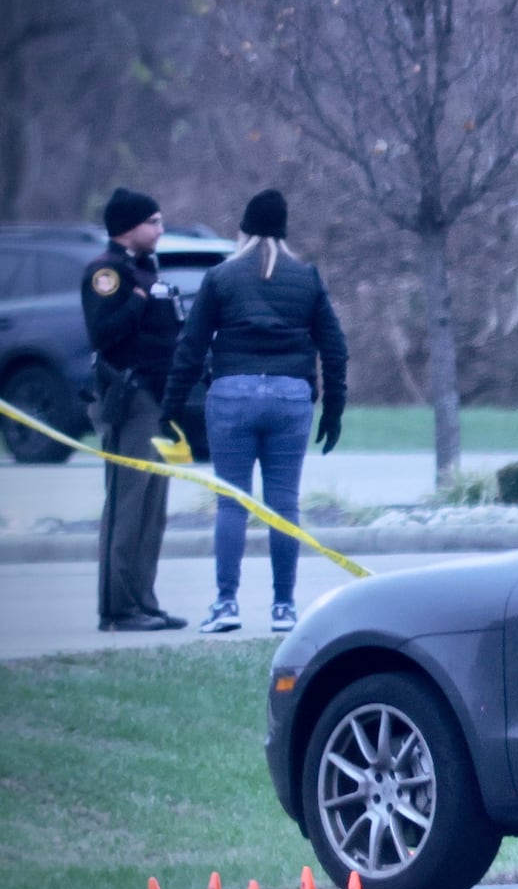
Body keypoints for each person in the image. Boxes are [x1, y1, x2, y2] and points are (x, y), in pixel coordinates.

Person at [160, 189, 348, 634]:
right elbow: (335, 347)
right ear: (284, 229)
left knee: (232, 503)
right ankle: (284, 607)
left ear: (242, 228)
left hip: (232, 395)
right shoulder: (307, 277)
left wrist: (170, 408)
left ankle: (226, 604)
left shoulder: (222, 276)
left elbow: (190, 347)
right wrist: (334, 408)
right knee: (283, 503)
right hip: (289, 397)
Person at [82, 187, 187, 632]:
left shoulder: (146, 269)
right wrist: (138, 301)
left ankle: (144, 600)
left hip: (159, 399)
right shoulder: (106, 272)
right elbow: (102, 332)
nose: (161, 230)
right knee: (127, 503)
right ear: (130, 226)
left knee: (152, 507)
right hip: (131, 398)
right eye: (155, 222)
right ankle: (118, 608)